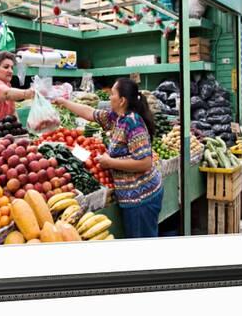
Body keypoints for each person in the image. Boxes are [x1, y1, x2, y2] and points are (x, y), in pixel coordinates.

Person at [53, 77, 163, 238]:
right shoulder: (116, 117)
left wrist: (110, 162)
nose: (110, 97)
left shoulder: (133, 123)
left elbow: (145, 162)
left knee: (141, 247)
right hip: (130, 196)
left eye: (112, 94)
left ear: (122, 100)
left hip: (142, 197)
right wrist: (64, 103)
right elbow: (90, 113)